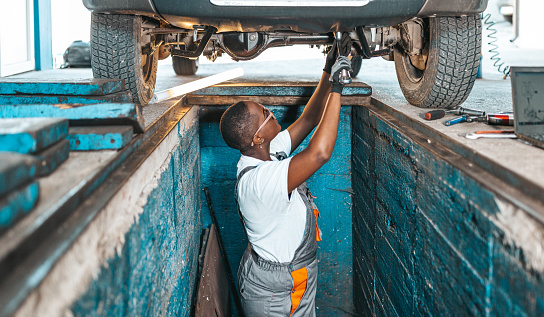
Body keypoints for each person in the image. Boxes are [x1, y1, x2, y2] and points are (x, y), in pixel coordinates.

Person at [219, 35, 352, 317]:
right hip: (273, 292)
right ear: (257, 137)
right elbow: (319, 154)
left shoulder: (269, 151)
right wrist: (339, 88)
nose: (270, 111)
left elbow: (308, 120)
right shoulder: (258, 182)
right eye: (264, 113)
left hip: (292, 276)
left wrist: (328, 71)